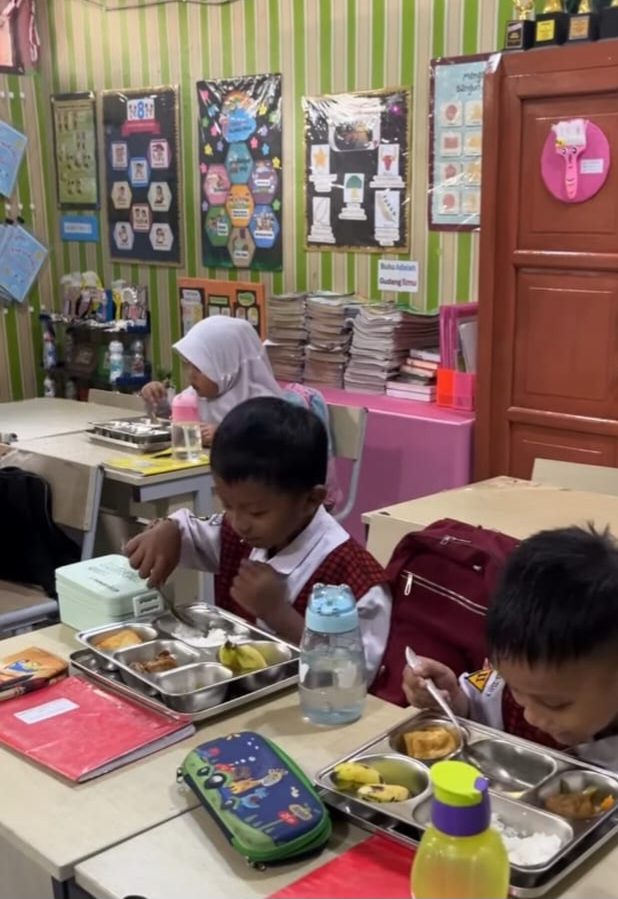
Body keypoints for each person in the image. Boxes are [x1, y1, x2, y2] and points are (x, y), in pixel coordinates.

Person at [125, 397, 391, 683]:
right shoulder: (239, 534)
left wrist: (278, 614)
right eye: (227, 505)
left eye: (257, 512)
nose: (239, 523)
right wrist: (168, 530)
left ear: (311, 500)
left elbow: (356, 676)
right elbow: (190, 532)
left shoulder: (355, 582)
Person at [402, 525, 618, 769]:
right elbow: (481, 708)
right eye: (517, 691)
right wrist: (451, 699)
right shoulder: (511, 681)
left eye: (554, 703)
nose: (530, 716)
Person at [141, 316, 341, 509]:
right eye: (187, 365)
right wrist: (159, 401)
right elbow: (177, 419)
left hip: (257, 501)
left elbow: (274, 454)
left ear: (227, 366)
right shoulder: (199, 394)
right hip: (213, 489)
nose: (190, 376)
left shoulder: (265, 405)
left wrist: (226, 436)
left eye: (200, 369)